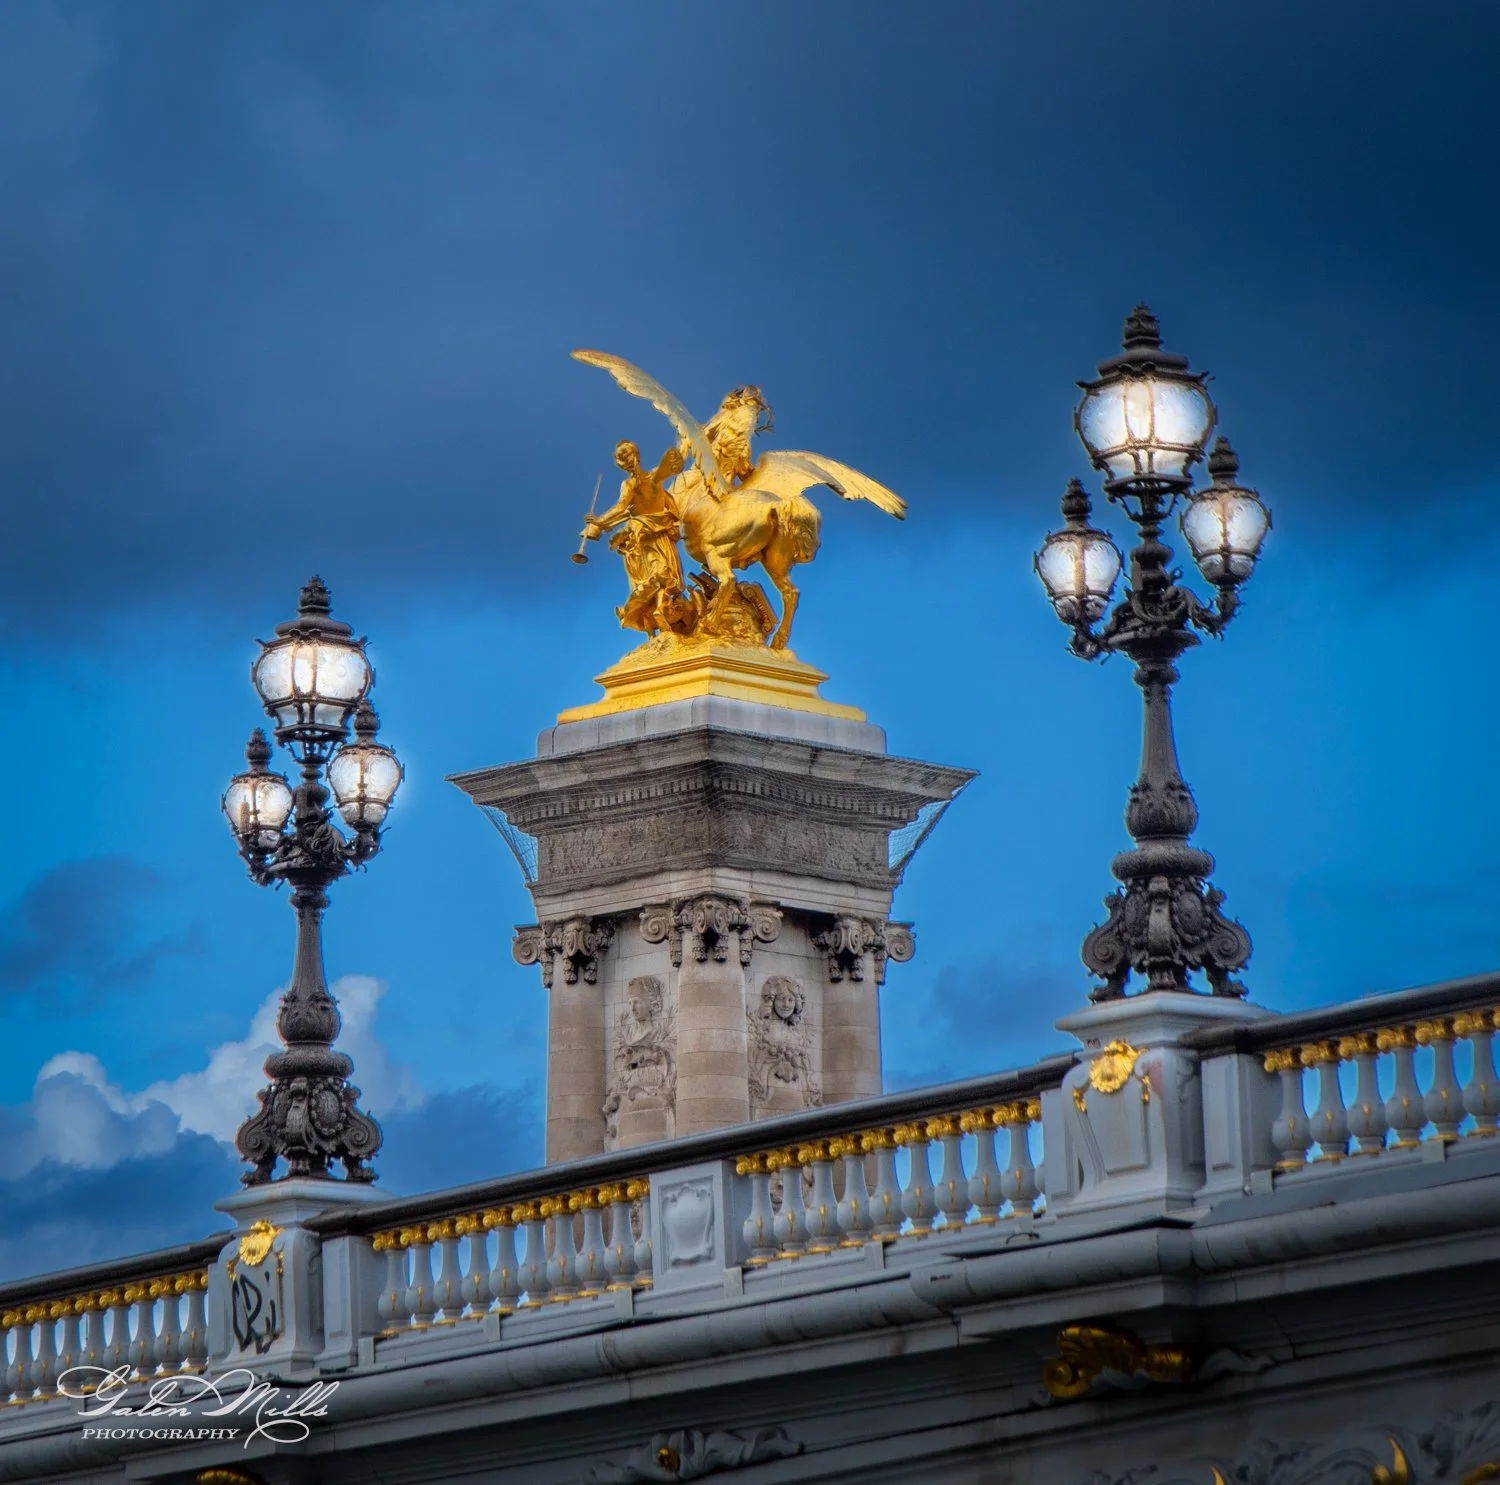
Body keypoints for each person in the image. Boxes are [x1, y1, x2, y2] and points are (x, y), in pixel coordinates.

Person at [580, 440, 686, 636]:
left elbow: (621, 508)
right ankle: (658, 614)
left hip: (645, 536)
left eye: (625, 455)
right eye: (622, 457)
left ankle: (651, 615)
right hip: (655, 533)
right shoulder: (653, 478)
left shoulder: (633, 483)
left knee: (653, 577)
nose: (625, 460)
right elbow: (626, 511)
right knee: (663, 575)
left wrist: (599, 521)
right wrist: (601, 524)